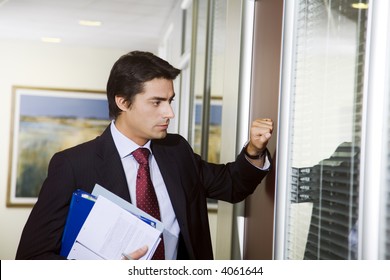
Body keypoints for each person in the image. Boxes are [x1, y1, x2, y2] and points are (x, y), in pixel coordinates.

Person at [15, 51, 273, 260]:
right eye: (157, 102)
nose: (169, 113)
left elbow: (232, 186)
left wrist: (255, 149)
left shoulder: (177, 151)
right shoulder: (73, 165)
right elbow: (32, 256)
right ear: (123, 102)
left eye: (170, 101)